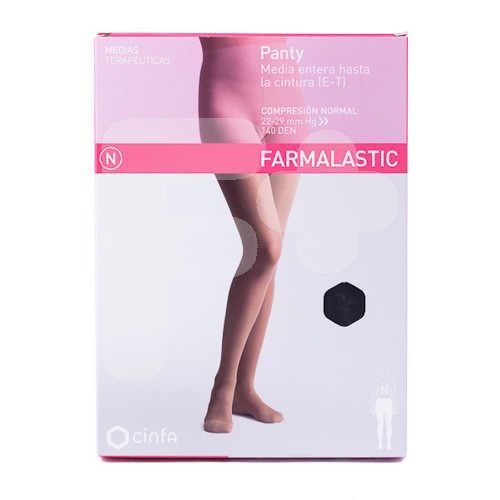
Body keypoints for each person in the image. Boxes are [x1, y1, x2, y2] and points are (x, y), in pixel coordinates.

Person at [198, 36, 307, 433]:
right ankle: (223, 387)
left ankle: (244, 389)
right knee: (267, 248)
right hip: (228, 99)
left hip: (288, 100)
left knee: (265, 258)